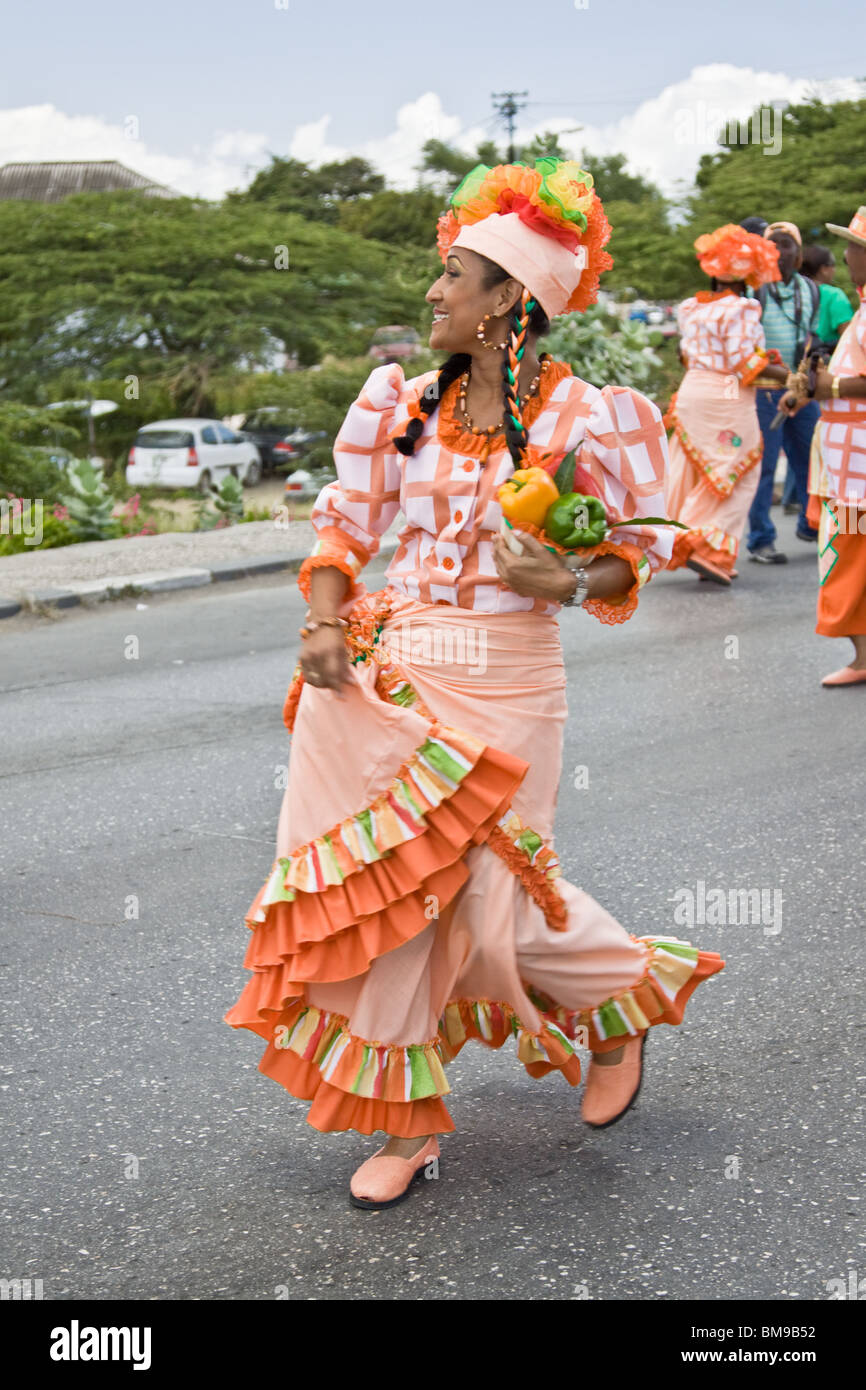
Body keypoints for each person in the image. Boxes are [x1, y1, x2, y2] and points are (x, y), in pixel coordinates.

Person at [224, 158, 724, 1209]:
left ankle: (616, 1003)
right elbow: (344, 525)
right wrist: (322, 620)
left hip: (509, 677)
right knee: (393, 903)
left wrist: (571, 576)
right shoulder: (398, 403)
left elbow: (640, 542)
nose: (432, 292)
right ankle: (404, 1124)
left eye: (452, 274)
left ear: (508, 298)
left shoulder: (589, 414)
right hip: (390, 675)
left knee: (497, 903)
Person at [664, 224, 787, 585]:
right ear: (748, 274)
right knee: (741, 469)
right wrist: (786, 374)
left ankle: (710, 552)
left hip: (692, 394)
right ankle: (701, 541)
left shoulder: (690, 307)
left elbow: (687, 356)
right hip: (725, 397)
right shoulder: (743, 308)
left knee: (702, 469)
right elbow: (744, 363)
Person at [780, 206, 866, 687]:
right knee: (850, 556)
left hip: (858, 470)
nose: (848, 255)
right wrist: (815, 387)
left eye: (856, 246)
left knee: (848, 557)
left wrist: (828, 387)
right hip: (848, 462)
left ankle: (862, 657)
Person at [746, 221, 821, 563]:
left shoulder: (811, 290)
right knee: (764, 464)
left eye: (786, 243)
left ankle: (811, 522)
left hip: (801, 389)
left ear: (799, 252)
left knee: (814, 456)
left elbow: (811, 337)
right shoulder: (752, 290)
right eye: (772, 244)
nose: (779, 251)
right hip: (763, 391)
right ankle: (761, 538)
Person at [778, 246, 855, 513]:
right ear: (824, 268)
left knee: (801, 450)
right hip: (824, 380)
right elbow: (848, 343)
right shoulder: (834, 295)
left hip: (806, 374)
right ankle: (804, 517)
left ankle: (794, 504)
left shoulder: (790, 293)